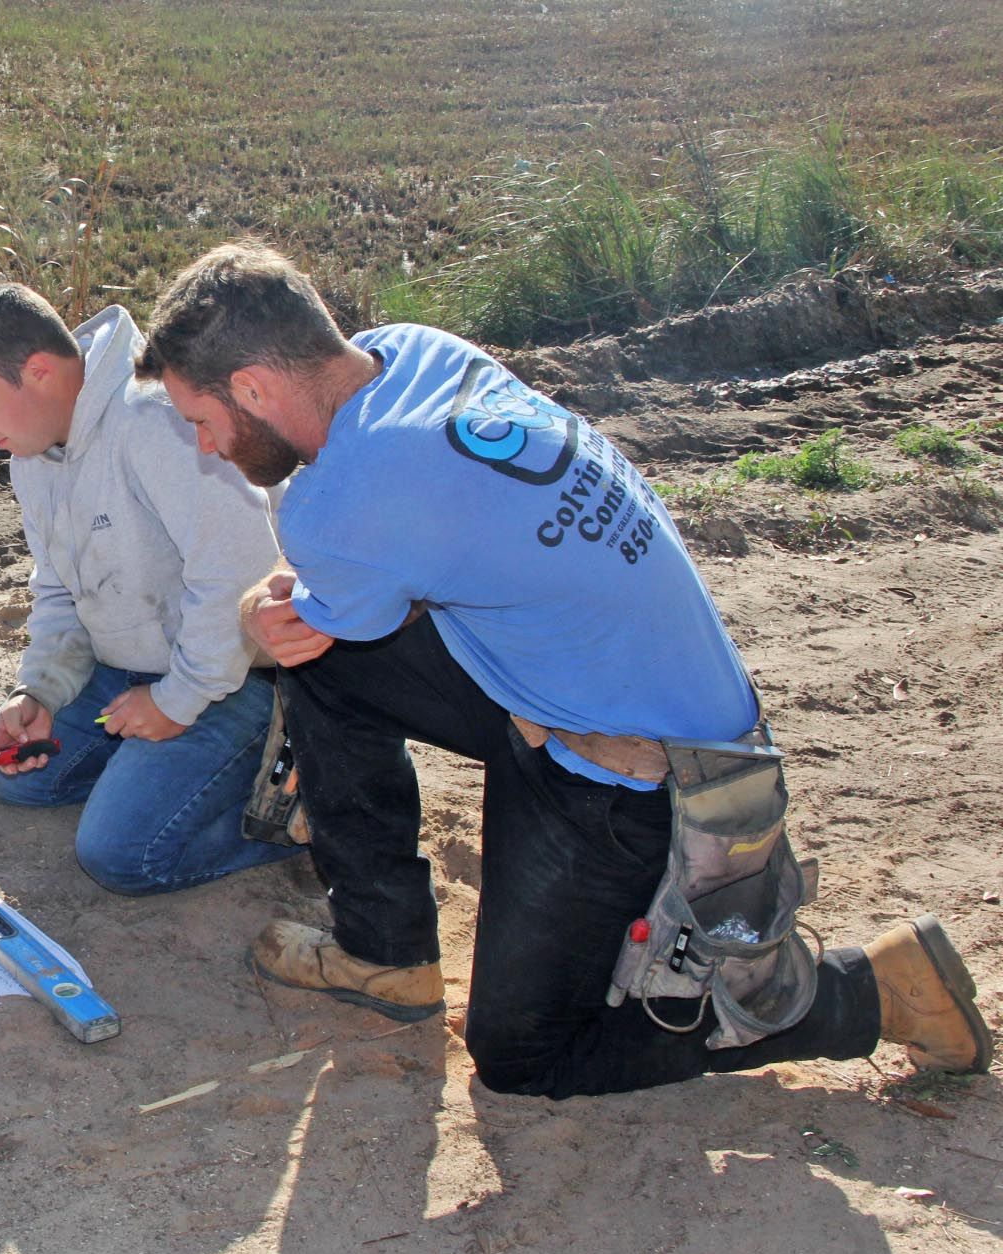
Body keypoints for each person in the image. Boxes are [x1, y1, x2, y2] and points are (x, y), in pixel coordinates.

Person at [133, 240, 992, 1097]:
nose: (207, 449)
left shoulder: (338, 503)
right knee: (336, 666)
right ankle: (383, 949)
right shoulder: (416, 352)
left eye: (201, 422)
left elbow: (289, 619)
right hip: (669, 705)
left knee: (522, 1055)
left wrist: (254, 610)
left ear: (253, 387)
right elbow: (412, 566)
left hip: (641, 780)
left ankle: (868, 995)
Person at [0, 282, 296, 895]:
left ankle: (298, 802)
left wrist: (177, 702)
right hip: (127, 668)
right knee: (15, 774)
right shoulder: (33, 457)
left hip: (237, 676)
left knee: (122, 854)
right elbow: (57, 588)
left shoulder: (157, 419)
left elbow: (240, 576)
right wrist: (41, 689)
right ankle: (162, 773)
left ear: (38, 371)